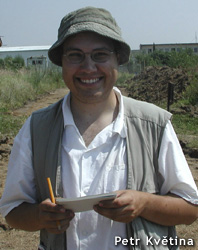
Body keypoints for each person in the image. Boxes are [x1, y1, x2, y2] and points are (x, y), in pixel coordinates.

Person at [0, 6, 198, 250]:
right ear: (61, 62)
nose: (88, 67)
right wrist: (39, 216)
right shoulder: (36, 129)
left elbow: (190, 208)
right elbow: (13, 211)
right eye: (75, 55)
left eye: (100, 55)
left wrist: (145, 203)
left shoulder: (153, 124)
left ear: (118, 60)